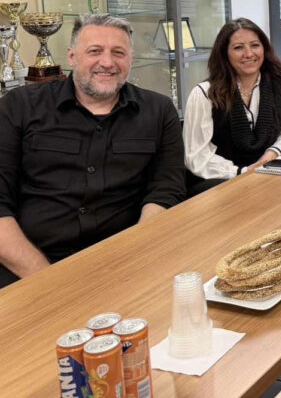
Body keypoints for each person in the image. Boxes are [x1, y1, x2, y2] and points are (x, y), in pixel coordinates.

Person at [0, 14, 185, 289]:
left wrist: (139, 252)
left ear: (131, 58)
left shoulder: (159, 111)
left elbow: (166, 189)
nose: (107, 62)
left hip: (123, 263)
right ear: (72, 56)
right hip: (28, 267)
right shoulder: (19, 106)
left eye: (118, 52)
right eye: (95, 51)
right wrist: (48, 281)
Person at [183, 18, 281, 182]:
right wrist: (243, 172)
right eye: (238, 48)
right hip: (219, 182)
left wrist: (271, 154)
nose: (248, 54)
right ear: (224, 53)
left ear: (264, 48)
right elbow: (196, 156)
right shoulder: (204, 94)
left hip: (269, 175)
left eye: (255, 45)